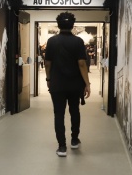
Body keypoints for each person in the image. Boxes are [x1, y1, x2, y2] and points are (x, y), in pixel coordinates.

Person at [45, 12, 91, 157]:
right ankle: (74, 140)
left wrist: (48, 79)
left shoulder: (52, 41)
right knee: (74, 111)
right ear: (72, 25)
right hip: (75, 84)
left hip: (57, 84)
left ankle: (62, 147)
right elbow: (82, 64)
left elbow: (47, 63)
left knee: (58, 114)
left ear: (58, 25)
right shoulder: (78, 42)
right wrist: (87, 83)